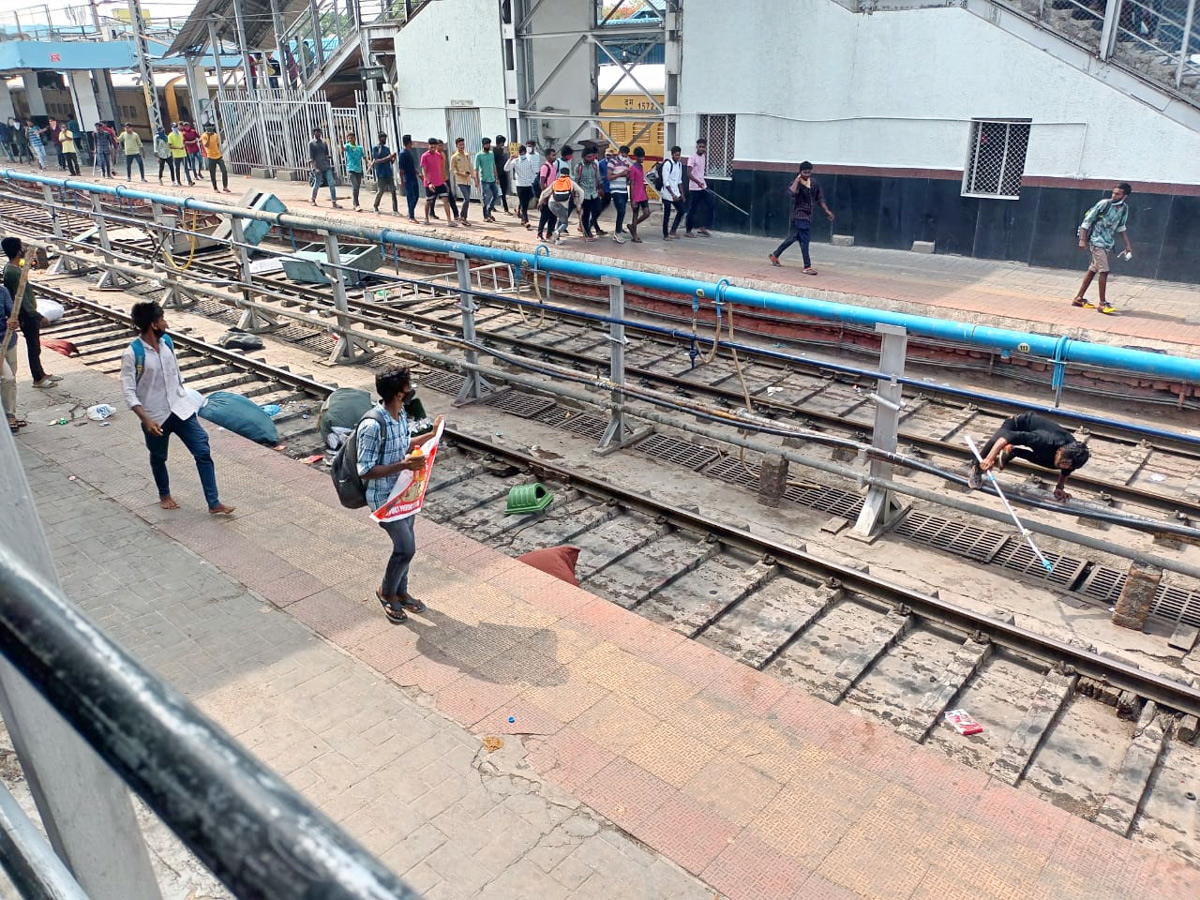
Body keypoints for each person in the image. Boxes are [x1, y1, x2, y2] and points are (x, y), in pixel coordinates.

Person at [120, 301, 235, 516]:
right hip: (155, 417)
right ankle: (164, 494)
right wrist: (145, 419)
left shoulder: (167, 343)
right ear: (154, 324)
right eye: (162, 319)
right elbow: (128, 391)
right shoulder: (133, 354)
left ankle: (213, 502)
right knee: (159, 456)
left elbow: (175, 376)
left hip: (181, 409)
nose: (166, 323)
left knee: (202, 450)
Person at [356, 366, 434, 624]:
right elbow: (365, 470)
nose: (412, 390)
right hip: (384, 498)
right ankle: (386, 592)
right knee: (405, 548)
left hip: (404, 492)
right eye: (409, 386)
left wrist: (430, 437)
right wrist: (404, 466)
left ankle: (401, 592)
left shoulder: (400, 415)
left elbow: (402, 445)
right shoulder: (372, 425)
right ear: (399, 393)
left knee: (407, 544)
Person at [968, 412, 1090, 502]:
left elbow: (1066, 472)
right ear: (1060, 451)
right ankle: (976, 469)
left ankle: (1012, 451)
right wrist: (989, 458)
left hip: (1042, 443)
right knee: (996, 441)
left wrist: (1060, 487)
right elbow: (1006, 437)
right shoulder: (1044, 440)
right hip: (1016, 424)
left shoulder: (1074, 457)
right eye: (1063, 462)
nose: (1064, 466)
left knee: (1052, 463)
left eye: (1067, 465)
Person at [2, 237, 59, 391]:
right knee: (33, 346)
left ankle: (41, 373)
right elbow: (20, 298)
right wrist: (38, 316)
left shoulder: (13, 268)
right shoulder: (12, 273)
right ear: (17, 250)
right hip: (26, 315)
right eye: (21, 247)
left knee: (36, 345)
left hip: (28, 313)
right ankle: (37, 378)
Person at [1071, 183, 1133, 316]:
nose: (1114, 195)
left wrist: (1128, 245)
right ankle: (1102, 303)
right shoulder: (1104, 204)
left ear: (1125, 196)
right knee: (1104, 270)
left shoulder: (1124, 208)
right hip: (1096, 242)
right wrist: (1082, 240)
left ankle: (1078, 298)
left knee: (1093, 270)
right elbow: (1086, 222)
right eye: (1113, 193)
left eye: (1118, 194)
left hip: (1108, 243)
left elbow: (1121, 227)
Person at [768, 161, 834, 274]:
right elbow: (791, 193)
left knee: (793, 238)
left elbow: (820, 199)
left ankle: (775, 255)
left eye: (809, 172)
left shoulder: (814, 183)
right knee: (805, 240)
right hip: (799, 215)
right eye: (804, 172)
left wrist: (827, 211)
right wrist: (797, 180)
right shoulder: (796, 183)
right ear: (800, 172)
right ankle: (807, 266)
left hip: (807, 215)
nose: (807, 174)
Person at [537, 169, 583, 244]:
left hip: (551, 203)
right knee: (564, 223)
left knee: (559, 220)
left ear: (560, 174)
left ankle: (557, 240)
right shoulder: (571, 182)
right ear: (568, 174)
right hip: (562, 205)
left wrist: (540, 202)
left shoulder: (556, 181)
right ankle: (557, 232)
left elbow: (545, 193)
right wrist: (579, 205)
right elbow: (581, 192)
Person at [420, 138, 456, 226]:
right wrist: (429, 183)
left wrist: (444, 182)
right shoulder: (424, 156)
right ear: (428, 146)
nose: (433, 149)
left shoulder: (439, 155)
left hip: (440, 182)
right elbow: (424, 170)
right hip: (430, 183)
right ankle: (426, 218)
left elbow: (440, 169)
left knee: (445, 200)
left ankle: (449, 221)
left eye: (434, 147)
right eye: (431, 147)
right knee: (428, 201)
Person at [1, 277, 20, 435]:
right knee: (7, 378)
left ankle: (10, 411)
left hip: (9, 340)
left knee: (11, 378)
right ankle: (9, 415)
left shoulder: (2, 291)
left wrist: (13, 322)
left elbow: (11, 313)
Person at [573, 145, 603, 241]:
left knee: (598, 210)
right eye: (588, 157)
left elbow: (597, 177)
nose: (591, 159)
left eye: (592, 157)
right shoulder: (579, 167)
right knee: (585, 213)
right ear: (584, 157)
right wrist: (576, 195)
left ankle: (588, 226)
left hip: (594, 193)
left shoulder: (594, 165)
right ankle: (587, 232)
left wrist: (601, 187)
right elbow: (576, 181)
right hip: (584, 194)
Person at [684, 138, 713, 237]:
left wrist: (702, 183)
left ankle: (703, 227)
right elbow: (689, 173)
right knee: (693, 209)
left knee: (710, 205)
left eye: (703, 147)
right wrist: (697, 182)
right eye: (700, 147)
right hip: (694, 188)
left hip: (703, 187)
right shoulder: (692, 158)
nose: (701, 148)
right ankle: (688, 230)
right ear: (697, 147)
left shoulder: (704, 156)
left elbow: (701, 172)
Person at [508, 142, 538, 229]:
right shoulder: (515, 161)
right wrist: (510, 159)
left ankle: (520, 212)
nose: (522, 155)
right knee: (524, 204)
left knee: (528, 200)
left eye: (523, 153)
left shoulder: (530, 160)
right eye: (520, 153)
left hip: (529, 184)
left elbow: (535, 170)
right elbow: (506, 168)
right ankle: (526, 220)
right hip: (520, 185)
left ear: (525, 152)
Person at [309, 128, 341, 208]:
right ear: (314, 134)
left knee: (331, 183)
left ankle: (334, 202)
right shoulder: (312, 143)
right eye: (316, 133)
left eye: (319, 132)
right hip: (318, 166)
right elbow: (311, 157)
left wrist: (328, 157)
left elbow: (326, 153)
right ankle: (313, 199)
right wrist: (314, 168)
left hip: (326, 166)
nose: (318, 134)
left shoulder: (324, 143)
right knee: (317, 183)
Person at [607, 145, 633, 243]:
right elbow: (609, 177)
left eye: (626, 155)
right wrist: (621, 174)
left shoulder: (626, 163)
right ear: (620, 152)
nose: (624, 156)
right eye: (623, 154)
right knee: (621, 210)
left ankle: (618, 231)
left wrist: (627, 175)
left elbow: (626, 177)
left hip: (624, 189)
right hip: (615, 190)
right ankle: (618, 233)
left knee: (622, 211)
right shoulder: (612, 162)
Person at [660, 145, 686, 240]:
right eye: (676, 155)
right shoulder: (667, 164)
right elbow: (665, 181)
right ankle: (665, 235)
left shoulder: (679, 165)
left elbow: (679, 181)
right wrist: (672, 194)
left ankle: (673, 231)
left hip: (676, 192)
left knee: (682, 210)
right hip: (667, 194)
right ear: (672, 155)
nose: (677, 157)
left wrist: (682, 194)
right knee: (667, 214)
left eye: (679, 155)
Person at [627, 147, 652, 243]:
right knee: (635, 214)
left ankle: (633, 226)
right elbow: (632, 184)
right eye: (641, 157)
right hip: (636, 195)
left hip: (642, 194)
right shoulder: (633, 168)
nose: (642, 159)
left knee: (647, 213)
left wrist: (645, 193)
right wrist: (632, 199)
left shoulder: (641, 167)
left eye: (643, 157)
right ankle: (635, 235)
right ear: (636, 157)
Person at [371, 132, 398, 215]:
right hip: (381, 173)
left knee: (393, 191)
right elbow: (376, 161)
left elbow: (391, 161)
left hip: (388, 172)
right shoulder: (376, 148)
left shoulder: (387, 149)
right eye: (383, 138)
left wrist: (393, 158)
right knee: (381, 191)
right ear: (380, 139)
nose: (385, 140)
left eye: (385, 138)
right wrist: (388, 157)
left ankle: (395, 210)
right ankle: (375, 206)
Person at [535, 147, 560, 240]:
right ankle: (539, 234)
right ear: (547, 156)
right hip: (547, 195)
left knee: (553, 216)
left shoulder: (553, 167)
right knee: (544, 216)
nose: (555, 157)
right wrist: (545, 196)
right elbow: (542, 182)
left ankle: (549, 233)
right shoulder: (545, 167)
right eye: (553, 155)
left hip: (553, 195)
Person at [450, 136, 475, 224]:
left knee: (467, 199)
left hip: (468, 180)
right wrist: (461, 173)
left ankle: (464, 217)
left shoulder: (467, 155)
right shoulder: (454, 157)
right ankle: (462, 217)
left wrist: (474, 177)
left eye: (463, 144)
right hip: (460, 180)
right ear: (457, 145)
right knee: (467, 198)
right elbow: (452, 169)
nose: (462, 146)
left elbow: (470, 166)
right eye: (460, 145)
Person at [475, 137, 500, 223]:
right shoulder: (479, 155)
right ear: (483, 145)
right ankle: (485, 215)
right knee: (486, 197)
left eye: (489, 144)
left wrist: (497, 177)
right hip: (484, 179)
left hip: (492, 179)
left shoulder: (491, 153)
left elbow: (494, 166)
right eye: (486, 144)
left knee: (496, 195)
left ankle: (489, 210)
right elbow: (476, 169)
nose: (488, 145)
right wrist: (477, 180)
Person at [201, 123, 230, 192]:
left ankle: (225, 186)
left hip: (218, 156)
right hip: (210, 156)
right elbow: (206, 145)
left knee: (224, 171)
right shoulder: (204, 136)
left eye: (210, 127)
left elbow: (217, 144)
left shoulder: (215, 135)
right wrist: (208, 136)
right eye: (207, 127)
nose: (209, 128)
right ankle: (215, 188)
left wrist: (219, 152)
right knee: (213, 173)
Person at [399, 135, 419, 221]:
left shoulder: (409, 152)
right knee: (410, 197)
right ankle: (411, 216)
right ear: (409, 143)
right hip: (407, 178)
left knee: (416, 195)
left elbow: (411, 166)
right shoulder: (403, 154)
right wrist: (402, 180)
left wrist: (417, 172)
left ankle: (410, 211)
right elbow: (401, 169)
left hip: (413, 176)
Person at [344, 131, 366, 211]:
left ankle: (354, 203)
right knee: (355, 186)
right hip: (351, 169)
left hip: (359, 170)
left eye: (352, 137)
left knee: (357, 188)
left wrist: (369, 162)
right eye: (349, 138)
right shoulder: (348, 146)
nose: (350, 139)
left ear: (355, 138)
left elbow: (364, 157)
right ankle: (357, 204)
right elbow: (343, 149)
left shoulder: (359, 148)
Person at [493, 135, 512, 215]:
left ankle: (492, 205)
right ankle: (505, 209)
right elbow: (494, 164)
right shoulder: (494, 152)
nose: (503, 144)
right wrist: (496, 175)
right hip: (498, 173)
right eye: (502, 142)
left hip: (504, 172)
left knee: (503, 190)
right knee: (501, 192)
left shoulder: (502, 151)